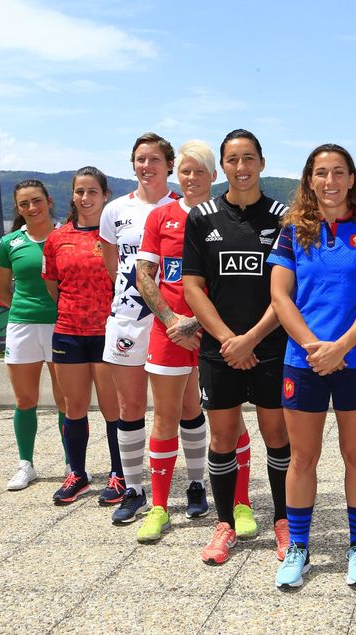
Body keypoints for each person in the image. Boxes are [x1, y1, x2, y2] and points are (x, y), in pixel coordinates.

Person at [270, 143, 356, 591]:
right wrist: (315, 347)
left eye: (338, 172)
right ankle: (298, 547)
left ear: (352, 179)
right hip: (303, 361)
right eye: (321, 173)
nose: (330, 181)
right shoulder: (292, 232)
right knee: (302, 457)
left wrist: (342, 346)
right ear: (309, 180)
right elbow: (280, 297)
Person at [183, 129, 290, 566]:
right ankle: (225, 523)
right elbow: (193, 287)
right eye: (233, 159)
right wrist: (230, 340)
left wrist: (252, 339)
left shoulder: (283, 218)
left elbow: (288, 292)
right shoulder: (201, 216)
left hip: (272, 346)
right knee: (223, 437)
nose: (241, 167)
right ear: (222, 167)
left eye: (249, 158)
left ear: (262, 163)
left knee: (277, 436)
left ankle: (284, 521)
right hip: (220, 351)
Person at [132, 141, 216, 543]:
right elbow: (143, 275)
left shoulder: (224, 215)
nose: (192, 178)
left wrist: (198, 322)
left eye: (200, 171)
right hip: (169, 331)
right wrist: (171, 320)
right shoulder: (160, 216)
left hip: (215, 329)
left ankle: (198, 485)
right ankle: (160, 507)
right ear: (175, 174)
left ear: (213, 175)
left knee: (214, 412)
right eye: (185, 171)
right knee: (166, 415)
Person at [99, 132, 180, 524]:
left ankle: (193, 484)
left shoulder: (183, 206)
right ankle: (133, 488)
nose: (146, 166)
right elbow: (113, 265)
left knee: (180, 408)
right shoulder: (115, 210)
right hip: (128, 320)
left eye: (154, 159)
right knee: (129, 407)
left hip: (172, 321)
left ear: (169, 164)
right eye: (140, 159)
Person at [42, 168, 122, 504]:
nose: (85, 198)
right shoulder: (57, 238)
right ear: (72, 195)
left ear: (105, 196)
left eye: (92, 192)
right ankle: (78, 474)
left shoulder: (113, 237)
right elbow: (52, 284)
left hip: (107, 333)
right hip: (68, 332)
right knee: (73, 407)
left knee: (112, 408)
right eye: (80, 192)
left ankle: (120, 474)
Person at [0, 180, 69, 490]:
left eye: (36, 200)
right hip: (22, 326)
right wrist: (27, 310)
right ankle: (26, 464)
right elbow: (1, 291)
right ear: (18, 208)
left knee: (67, 400)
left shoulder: (67, 237)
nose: (31, 207)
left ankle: (72, 464)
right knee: (25, 399)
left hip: (62, 326)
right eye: (24, 204)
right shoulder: (9, 242)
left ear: (49, 201)